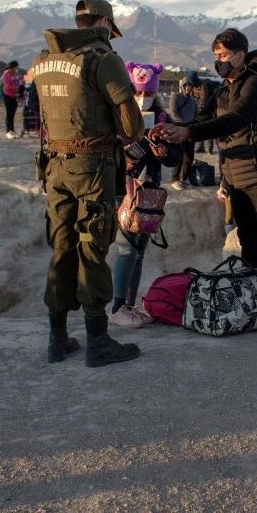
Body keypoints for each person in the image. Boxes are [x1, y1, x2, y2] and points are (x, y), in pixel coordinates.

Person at [31, 0, 145, 367]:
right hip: (92, 168)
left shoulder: (45, 61)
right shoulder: (102, 59)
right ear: (104, 23)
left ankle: (57, 339)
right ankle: (98, 342)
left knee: (61, 248)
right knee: (91, 248)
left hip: (54, 168)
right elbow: (132, 127)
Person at [154, 28, 257, 321]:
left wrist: (189, 131)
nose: (219, 60)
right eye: (215, 55)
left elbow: (235, 119)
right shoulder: (222, 88)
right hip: (235, 172)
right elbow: (205, 119)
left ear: (240, 55)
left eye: (224, 55)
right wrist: (170, 130)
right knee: (246, 237)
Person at [111, 65, 182, 328]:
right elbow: (119, 158)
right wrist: (137, 148)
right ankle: (118, 306)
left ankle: (128, 305)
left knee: (139, 250)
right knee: (127, 247)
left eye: (148, 93)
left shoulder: (163, 117)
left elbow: (177, 156)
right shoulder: (120, 118)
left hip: (149, 194)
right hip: (127, 192)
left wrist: (165, 151)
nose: (144, 99)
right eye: (139, 93)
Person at [169, 72, 200, 189]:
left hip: (190, 129)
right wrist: (184, 123)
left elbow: (197, 115)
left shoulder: (193, 100)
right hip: (178, 127)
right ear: (182, 86)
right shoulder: (175, 97)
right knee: (179, 155)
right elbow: (173, 113)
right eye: (185, 85)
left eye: (189, 86)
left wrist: (193, 125)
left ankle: (184, 178)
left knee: (189, 156)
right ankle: (175, 179)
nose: (187, 88)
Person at [1, 61, 25, 139]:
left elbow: (18, 82)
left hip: (14, 96)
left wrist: (21, 82)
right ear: (11, 67)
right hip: (8, 96)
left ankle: (12, 130)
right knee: (9, 114)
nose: (16, 69)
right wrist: (18, 88)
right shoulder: (5, 75)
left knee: (13, 114)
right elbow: (7, 86)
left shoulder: (14, 75)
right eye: (15, 68)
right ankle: (8, 131)